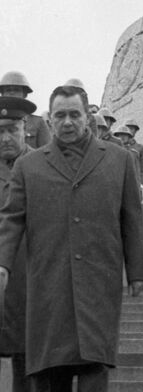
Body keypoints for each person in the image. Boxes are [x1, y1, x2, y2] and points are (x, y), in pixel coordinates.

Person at [0, 84, 143, 392]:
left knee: (94, 369)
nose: (67, 122)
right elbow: (12, 218)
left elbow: (132, 218)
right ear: (49, 120)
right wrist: (2, 263)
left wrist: (138, 273)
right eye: (60, 115)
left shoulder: (119, 160)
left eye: (74, 114)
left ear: (87, 118)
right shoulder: (29, 166)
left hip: (98, 286)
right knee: (49, 374)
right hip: (48, 289)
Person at [0, 96, 36, 392]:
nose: (5, 137)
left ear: (25, 128)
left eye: (12, 129)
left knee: (29, 368)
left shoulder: (43, 166)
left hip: (30, 283)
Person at [0, 72, 50, 151]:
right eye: (8, 90)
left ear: (25, 94)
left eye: (16, 90)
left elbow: (47, 151)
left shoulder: (38, 122)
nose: (12, 93)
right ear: (2, 94)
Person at [124, 120, 143, 188]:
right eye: (128, 128)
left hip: (134, 182)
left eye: (132, 129)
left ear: (135, 131)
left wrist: (141, 184)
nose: (129, 131)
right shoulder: (118, 145)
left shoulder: (140, 148)